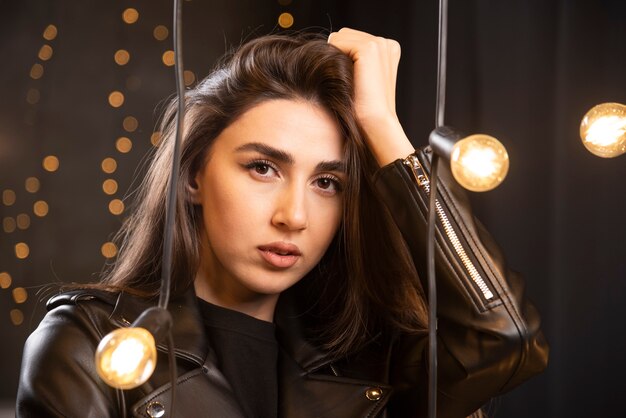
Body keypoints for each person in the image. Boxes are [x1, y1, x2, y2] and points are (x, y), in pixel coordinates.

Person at [16, 28, 548, 418]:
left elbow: (502, 338)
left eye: (327, 183)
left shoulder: (373, 366)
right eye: (262, 168)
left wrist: (382, 128)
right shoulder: (92, 343)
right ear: (193, 176)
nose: (293, 216)